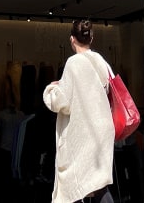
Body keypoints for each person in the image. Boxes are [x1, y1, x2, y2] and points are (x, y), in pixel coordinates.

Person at [43, 19, 115, 203]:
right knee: (98, 185)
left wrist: (51, 89)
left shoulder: (73, 63)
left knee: (73, 187)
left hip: (83, 133)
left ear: (72, 39)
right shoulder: (101, 61)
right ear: (92, 38)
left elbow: (62, 102)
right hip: (102, 131)